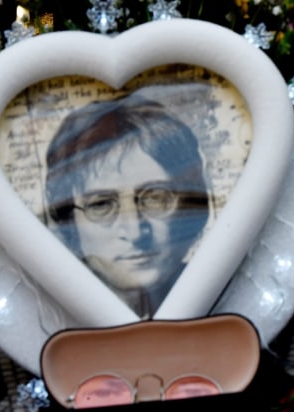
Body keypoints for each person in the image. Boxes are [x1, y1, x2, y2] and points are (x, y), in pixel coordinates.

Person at [45, 94, 211, 319]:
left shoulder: (221, 291)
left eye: (155, 198)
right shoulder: (47, 311)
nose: (134, 231)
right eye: (102, 205)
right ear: (69, 223)